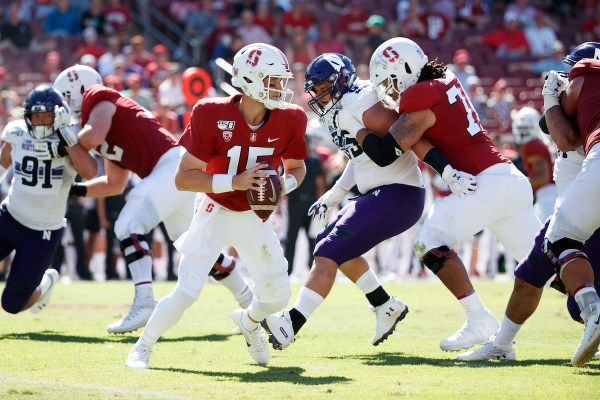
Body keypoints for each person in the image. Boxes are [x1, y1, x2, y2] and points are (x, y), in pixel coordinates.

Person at [263, 52, 474, 351]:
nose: (320, 94)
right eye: (316, 89)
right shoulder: (343, 107)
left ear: (341, 80)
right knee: (332, 243)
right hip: (382, 192)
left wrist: (447, 171)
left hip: (399, 193)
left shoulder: (361, 101)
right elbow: (360, 156)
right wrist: (335, 194)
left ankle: (291, 323)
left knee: (328, 250)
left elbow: (406, 137)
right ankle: (385, 305)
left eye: (324, 87)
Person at [125, 42, 308, 369]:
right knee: (187, 292)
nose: (281, 88)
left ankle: (249, 322)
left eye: (281, 80)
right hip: (215, 207)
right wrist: (234, 182)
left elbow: (297, 167)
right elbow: (184, 179)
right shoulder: (211, 112)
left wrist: (285, 184)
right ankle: (142, 347)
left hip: (254, 214)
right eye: (273, 80)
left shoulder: (290, 118)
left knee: (279, 295)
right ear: (250, 81)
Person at [360, 37, 542, 352]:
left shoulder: (418, 95)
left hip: (486, 184)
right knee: (545, 267)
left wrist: (358, 129)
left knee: (426, 241)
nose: (390, 91)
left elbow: (386, 152)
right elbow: (421, 137)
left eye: (390, 81)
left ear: (405, 69)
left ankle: (478, 319)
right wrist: (445, 170)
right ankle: (589, 304)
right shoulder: (442, 82)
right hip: (507, 180)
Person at [53, 65, 254, 334]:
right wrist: (76, 190)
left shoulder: (97, 96)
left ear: (78, 89)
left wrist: (62, 138)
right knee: (198, 249)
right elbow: (114, 184)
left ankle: (145, 301)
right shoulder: (105, 123)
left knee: (128, 225)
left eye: (66, 98)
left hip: (170, 169)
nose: (66, 106)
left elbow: (92, 136)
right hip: (170, 175)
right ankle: (251, 304)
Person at [457, 41, 600, 367]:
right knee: (528, 276)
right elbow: (548, 126)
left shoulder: (583, 87)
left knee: (567, 276)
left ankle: (590, 314)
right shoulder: (583, 102)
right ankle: (502, 344)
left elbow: (565, 137)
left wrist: (551, 96)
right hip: (578, 207)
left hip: (582, 214)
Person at [0, 84, 98, 315]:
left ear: (59, 115)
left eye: (47, 116)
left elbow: (91, 171)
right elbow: (3, 162)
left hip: (42, 232)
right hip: (9, 217)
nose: (42, 121)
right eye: (37, 116)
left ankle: (44, 285)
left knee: (12, 305)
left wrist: (66, 139)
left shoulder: (71, 138)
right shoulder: (17, 131)